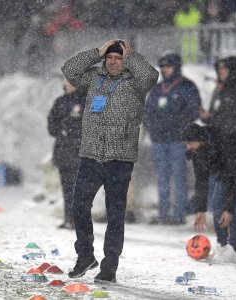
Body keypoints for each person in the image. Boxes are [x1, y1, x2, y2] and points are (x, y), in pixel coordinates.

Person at [61, 39, 158, 283]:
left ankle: (109, 268)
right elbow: (69, 70)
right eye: (110, 58)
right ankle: (85, 256)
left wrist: (132, 56)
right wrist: (97, 52)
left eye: (119, 58)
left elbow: (151, 77)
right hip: (91, 155)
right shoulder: (94, 77)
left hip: (120, 159)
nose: (114, 62)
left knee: (115, 215)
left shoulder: (135, 81)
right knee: (79, 207)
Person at [190, 56, 236, 262]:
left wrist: (230, 136)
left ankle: (232, 247)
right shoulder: (219, 91)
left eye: (224, 68)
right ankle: (223, 244)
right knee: (218, 204)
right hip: (223, 155)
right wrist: (209, 119)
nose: (221, 72)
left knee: (233, 205)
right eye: (219, 68)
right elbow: (219, 118)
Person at [144, 52, 201, 225]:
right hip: (159, 141)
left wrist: (176, 126)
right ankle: (163, 213)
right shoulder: (157, 89)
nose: (165, 70)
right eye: (163, 67)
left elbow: (193, 111)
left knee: (179, 177)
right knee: (162, 177)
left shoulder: (187, 87)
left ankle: (178, 214)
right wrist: (153, 129)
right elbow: (147, 113)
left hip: (178, 141)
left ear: (176, 67)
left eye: (168, 67)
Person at [47, 80, 86, 230]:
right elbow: (51, 126)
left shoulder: (86, 101)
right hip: (63, 152)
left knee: (79, 187)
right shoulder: (60, 101)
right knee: (67, 187)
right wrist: (63, 130)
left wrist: (72, 130)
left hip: (80, 151)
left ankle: (78, 219)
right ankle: (68, 217)